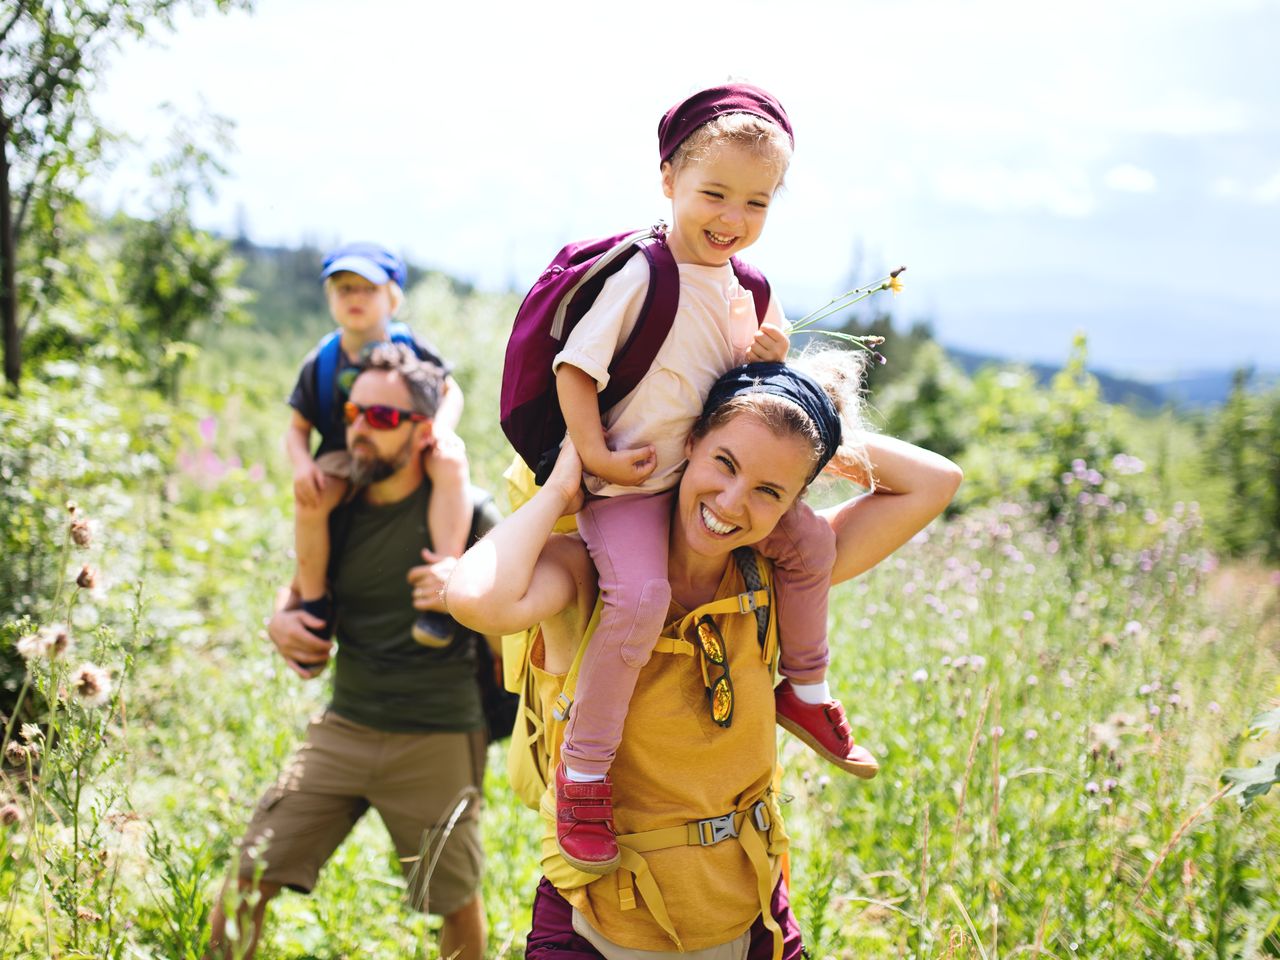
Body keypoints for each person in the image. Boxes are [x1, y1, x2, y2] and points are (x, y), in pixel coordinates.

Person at [448, 351, 963, 958]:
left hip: (750, 918)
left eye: (770, 490)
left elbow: (937, 481)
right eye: (725, 461)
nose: (732, 502)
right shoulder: (589, 572)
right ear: (687, 441)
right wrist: (562, 486)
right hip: (597, 923)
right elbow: (476, 598)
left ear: (793, 502)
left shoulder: (777, 574)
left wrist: (804, 419)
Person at [545, 82, 873, 874]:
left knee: (808, 548)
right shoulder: (642, 273)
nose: (733, 218)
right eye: (714, 194)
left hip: (701, 477)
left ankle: (806, 686)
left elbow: (746, 387)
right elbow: (575, 369)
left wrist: (765, 354)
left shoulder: (747, 288)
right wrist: (592, 456)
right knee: (641, 597)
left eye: (756, 203)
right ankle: (584, 774)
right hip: (630, 485)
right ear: (668, 180)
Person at [208, 344, 496, 960]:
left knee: (455, 901)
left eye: (383, 418)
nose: (361, 428)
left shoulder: (469, 513)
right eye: (354, 412)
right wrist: (278, 622)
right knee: (245, 881)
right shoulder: (338, 506)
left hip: (437, 734)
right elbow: (299, 592)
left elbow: (516, 625)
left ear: (424, 431)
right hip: (345, 725)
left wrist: (466, 598)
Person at [286, 241, 470, 651]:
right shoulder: (322, 361)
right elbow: (297, 428)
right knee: (311, 501)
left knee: (451, 463)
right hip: (343, 451)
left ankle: (440, 586)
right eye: (343, 289)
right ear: (330, 297)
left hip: (407, 443)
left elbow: (450, 391)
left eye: (367, 289)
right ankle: (315, 603)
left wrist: (440, 428)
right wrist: (302, 465)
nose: (355, 298)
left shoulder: (412, 347)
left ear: (392, 297)